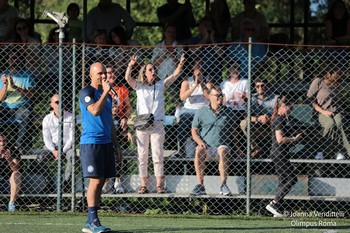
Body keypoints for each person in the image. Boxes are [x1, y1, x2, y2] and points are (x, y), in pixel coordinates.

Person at [125, 53, 185, 194]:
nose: (154, 71)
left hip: (157, 124)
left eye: (154, 69)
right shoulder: (139, 86)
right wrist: (130, 65)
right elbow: (128, 78)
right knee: (142, 155)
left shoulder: (159, 85)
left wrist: (180, 64)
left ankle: (159, 185)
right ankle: (143, 184)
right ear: (145, 73)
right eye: (150, 70)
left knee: (157, 154)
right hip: (142, 124)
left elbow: (174, 76)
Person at [79, 62, 116, 232]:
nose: (103, 76)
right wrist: (106, 92)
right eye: (99, 73)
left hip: (106, 142)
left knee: (102, 180)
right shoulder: (87, 92)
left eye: (104, 73)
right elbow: (94, 110)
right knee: (95, 180)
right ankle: (93, 220)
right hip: (91, 142)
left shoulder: (106, 94)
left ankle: (90, 220)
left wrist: (116, 144)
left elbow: (109, 121)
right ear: (91, 75)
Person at [190, 86, 234, 196]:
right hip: (207, 146)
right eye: (217, 95)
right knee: (198, 150)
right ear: (209, 97)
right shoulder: (201, 111)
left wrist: (237, 147)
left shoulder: (229, 112)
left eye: (221, 95)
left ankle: (223, 185)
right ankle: (200, 185)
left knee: (223, 150)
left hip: (222, 145)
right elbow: (194, 131)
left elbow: (234, 132)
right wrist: (200, 142)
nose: (220, 97)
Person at [265, 96, 302, 217]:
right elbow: (279, 139)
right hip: (279, 153)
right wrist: (294, 139)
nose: (291, 110)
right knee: (292, 178)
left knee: (283, 180)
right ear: (283, 106)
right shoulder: (279, 119)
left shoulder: (283, 119)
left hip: (281, 153)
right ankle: (274, 203)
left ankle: (278, 208)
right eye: (290, 107)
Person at [102, 64, 132, 194]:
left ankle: (117, 180)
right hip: (103, 123)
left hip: (117, 123)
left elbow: (128, 107)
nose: (112, 75)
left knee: (117, 153)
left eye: (113, 72)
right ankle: (105, 182)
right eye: (109, 72)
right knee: (104, 155)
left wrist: (125, 116)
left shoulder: (121, 89)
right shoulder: (100, 89)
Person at [307, 69, 350, 160]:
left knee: (339, 123)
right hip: (320, 111)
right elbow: (309, 99)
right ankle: (320, 149)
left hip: (335, 111)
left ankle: (342, 151)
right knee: (330, 124)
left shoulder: (337, 85)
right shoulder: (319, 81)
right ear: (331, 77)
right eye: (337, 80)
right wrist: (323, 111)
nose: (338, 83)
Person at [0, 49, 36, 151]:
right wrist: (6, 85)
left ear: (20, 60)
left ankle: (18, 146)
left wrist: (15, 86)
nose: (13, 60)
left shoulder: (27, 75)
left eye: (15, 58)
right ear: (7, 60)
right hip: (5, 107)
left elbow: (31, 94)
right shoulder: (2, 75)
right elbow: (0, 98)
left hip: (21, 107)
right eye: (10, 58)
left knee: (26, 114)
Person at [38, 94, 74, 193]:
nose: (60, 104)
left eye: (61, 101)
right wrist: (54, 150)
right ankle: (49, 183)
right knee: (40, 158)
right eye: (57, 102)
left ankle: (66, 184)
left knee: (72, 156)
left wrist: (62, 150)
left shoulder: (70, 117)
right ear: (51, 104)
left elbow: (72, 138)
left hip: (67, 147)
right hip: (51, 147)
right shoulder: (47, 119)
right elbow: (46, 137)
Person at [177, 61, 211, 156]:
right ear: (193, 69)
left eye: (200, 66)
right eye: (196, 67)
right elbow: (182, 97)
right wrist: (195, 85)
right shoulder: (187, 81)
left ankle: (203, 148)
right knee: (184, 119)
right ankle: (182, 149)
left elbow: (208, 96)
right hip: (189, 110)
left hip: (203, 109)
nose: (198, 69)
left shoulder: (207, 80)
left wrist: (201, 84)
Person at [240, 78, 278, 157]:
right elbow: (246, 116)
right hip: (258, 128)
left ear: (268, 86)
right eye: (257, 86)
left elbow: (278, 116)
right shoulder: (252, 98)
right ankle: (256, 148)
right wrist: (258, 118)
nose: (260, 88)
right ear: (255, 88)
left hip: (272, 129)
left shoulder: (275, 98)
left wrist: (268, 120)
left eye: (262, 85)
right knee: (243, 123)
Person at [220, 63, 248, 157]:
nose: (235, 70)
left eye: (237, 68)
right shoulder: (224, 84)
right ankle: (236, 149)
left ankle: (237, 149)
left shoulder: (245, 82)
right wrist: (226, 98)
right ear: (229, 70)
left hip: (241, 109)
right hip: (228, 108)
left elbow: (249, 97)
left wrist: (245, 96)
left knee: (232, 119)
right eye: (233, 68)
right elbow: (222, 100)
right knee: (230, 118)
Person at [188, 16, 225, 85]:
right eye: (205, 25)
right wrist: (205, 38)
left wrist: (212, 39)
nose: (208, 27)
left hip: (215, 74)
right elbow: (192, 51)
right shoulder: (194, 40)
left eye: (209, 26)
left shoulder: (218, 40)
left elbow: (221, 54)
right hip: (199, 74)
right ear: (199, 28)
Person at [0, 133, 21, 212]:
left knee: (16, 174)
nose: (2, 143)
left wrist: (9, 159)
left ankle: (11, 204)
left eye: (4, 141)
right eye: (0, 141)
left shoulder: (13, 149)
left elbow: (15, 169)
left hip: (9, 181)